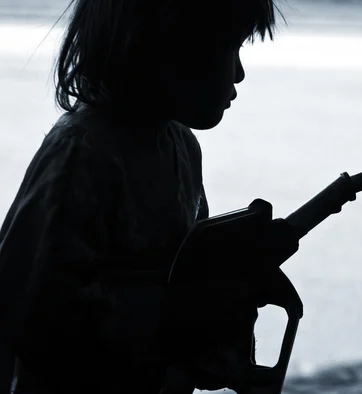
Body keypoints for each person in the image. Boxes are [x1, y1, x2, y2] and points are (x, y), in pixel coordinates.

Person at [0, 0, 287, 393]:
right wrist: (185, 314)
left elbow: (187, 273)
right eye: (228, 49)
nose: (238, 72)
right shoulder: (81, 155)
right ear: (164, 51)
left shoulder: (182, 149)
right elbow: (34, 314)